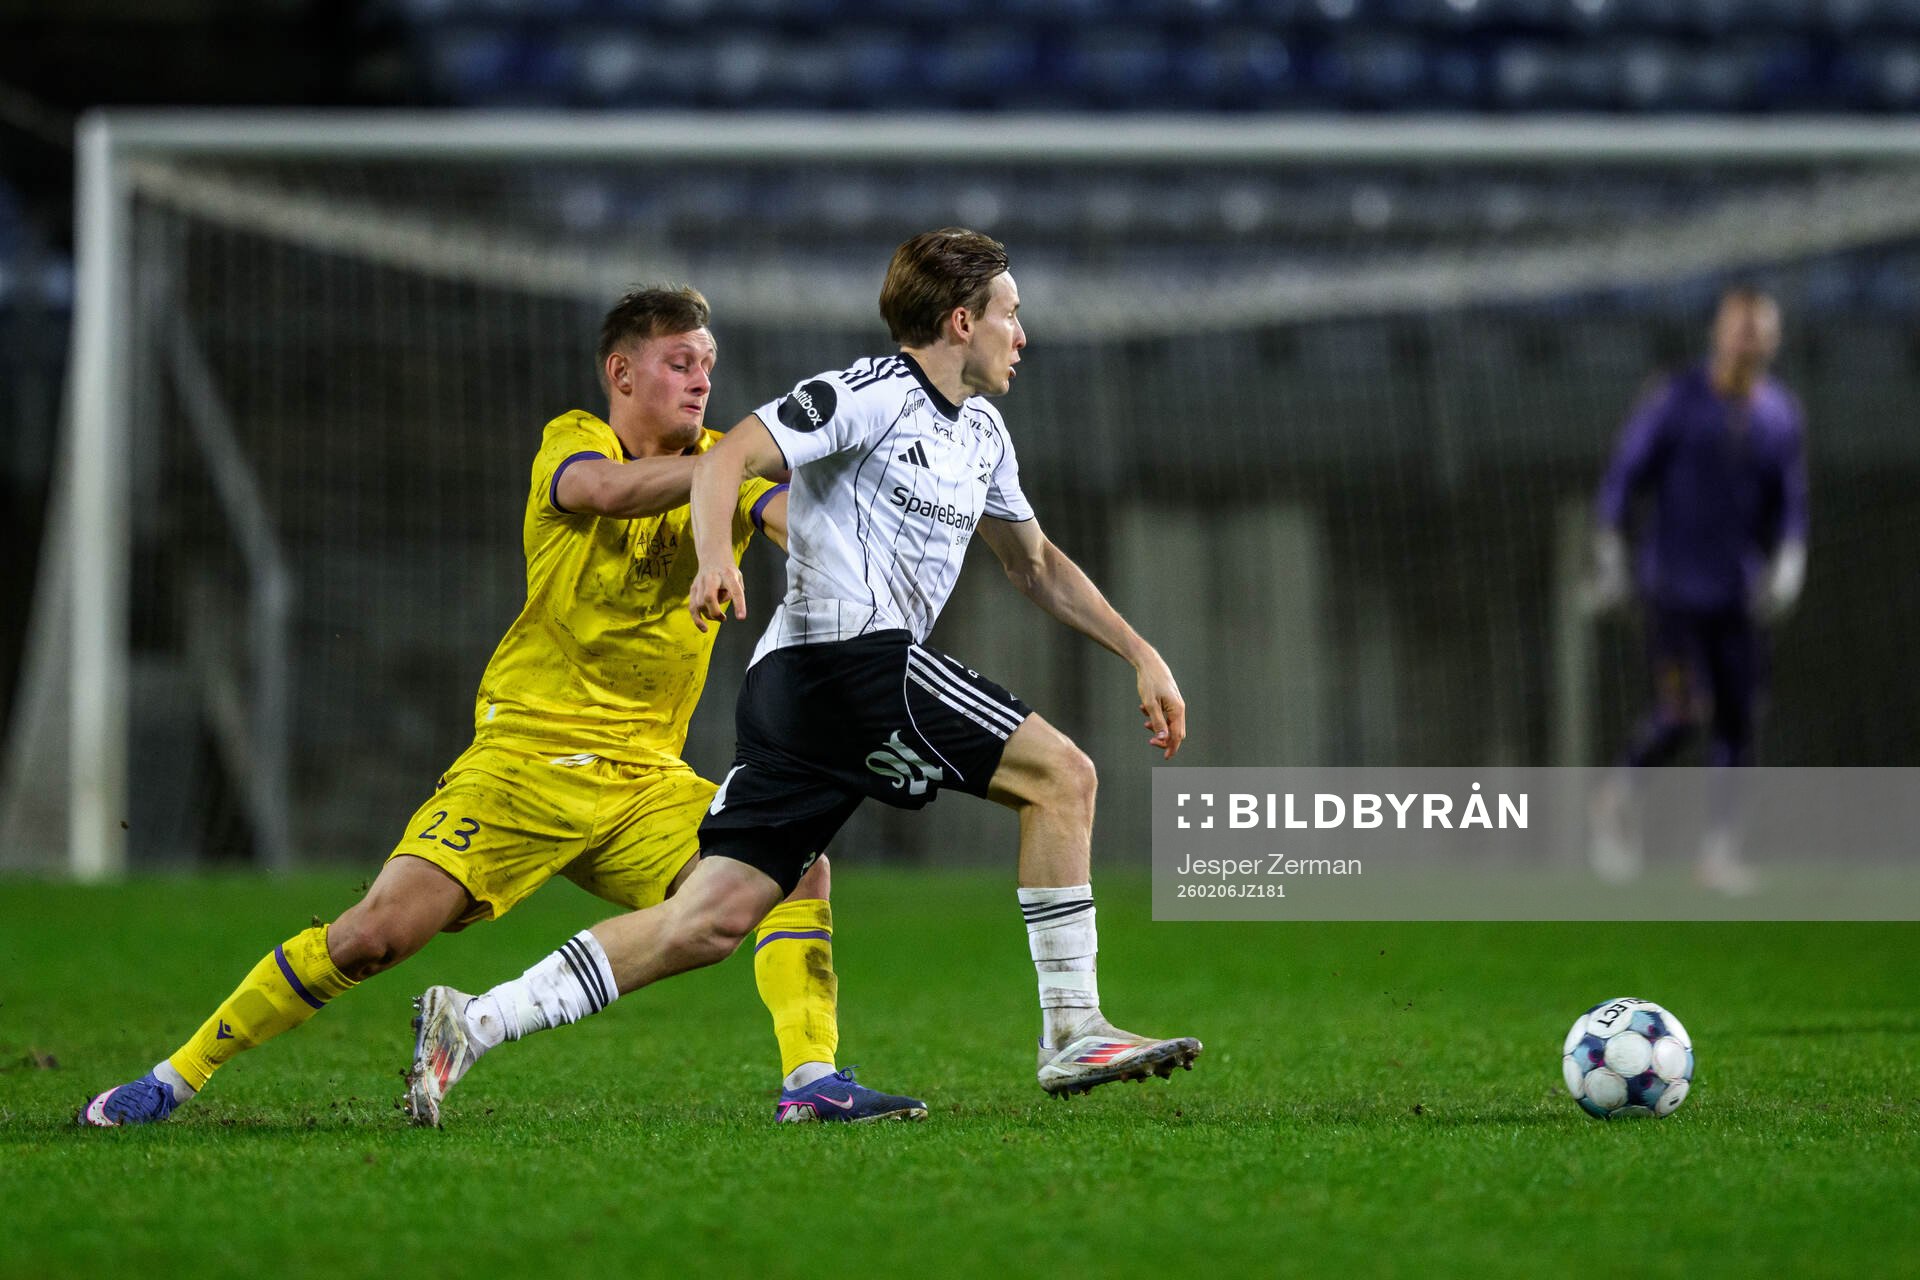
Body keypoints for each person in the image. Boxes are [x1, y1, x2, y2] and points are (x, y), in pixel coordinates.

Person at [79, 285, 923, 1129]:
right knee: (375, 935)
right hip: (523, 761)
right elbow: (606, 492)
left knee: (796, 864)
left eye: (708, 364)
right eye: (679, 363)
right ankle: (174, 1077)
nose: (702, 381)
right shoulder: (574, 441)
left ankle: (811, 1078)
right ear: (621, 372)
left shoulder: (720, 468)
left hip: (642, 780)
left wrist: (855, 543)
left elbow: (785, 519)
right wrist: (736, 465)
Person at [405, 228, 1201, 1118]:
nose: (1024, 335)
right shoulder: (867, 393)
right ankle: (1072, 1029)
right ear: (960, 319)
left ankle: (472, 1021)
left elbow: (1036, 565)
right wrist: (716, 557)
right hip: (845, 662)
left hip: (804, 691)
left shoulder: (982, 433)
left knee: (707, 920)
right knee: (1064, 778)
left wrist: (1141, 652)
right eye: (1011, 316)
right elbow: (727, 458)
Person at [1587, 285, 1808, 893]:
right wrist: (1609, 547)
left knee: (1739, 718)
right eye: (1741, 328)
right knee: (1684, 711)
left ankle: (1719, 852)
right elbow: (1624, 476)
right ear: (1719, 332)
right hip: (1674, 593)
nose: (1750, 340)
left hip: (1738, 595)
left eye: (1761, 330)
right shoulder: (1676, 400)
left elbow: (1790, 502)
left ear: (1774, 339)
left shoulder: (1779, 415)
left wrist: (1791, 559)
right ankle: (1618, 796)